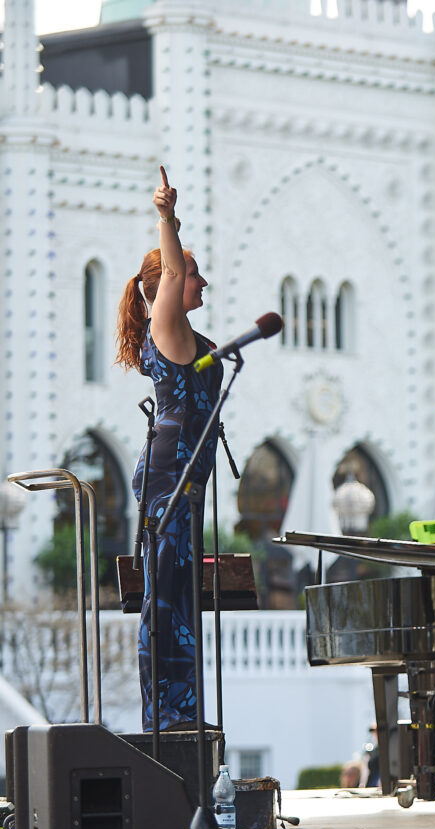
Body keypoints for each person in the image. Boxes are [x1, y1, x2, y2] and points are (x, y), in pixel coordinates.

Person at [115, 167, 221, 733]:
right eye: (196, 276)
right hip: (171, 474)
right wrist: (167, 219)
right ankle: (168, 714)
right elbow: (173, 268)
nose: (203, 283)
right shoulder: (169, 325)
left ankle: (183, 711)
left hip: (186, 473)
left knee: (181, 594)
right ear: (168, 287)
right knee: (167, 598)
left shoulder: (183, 333)